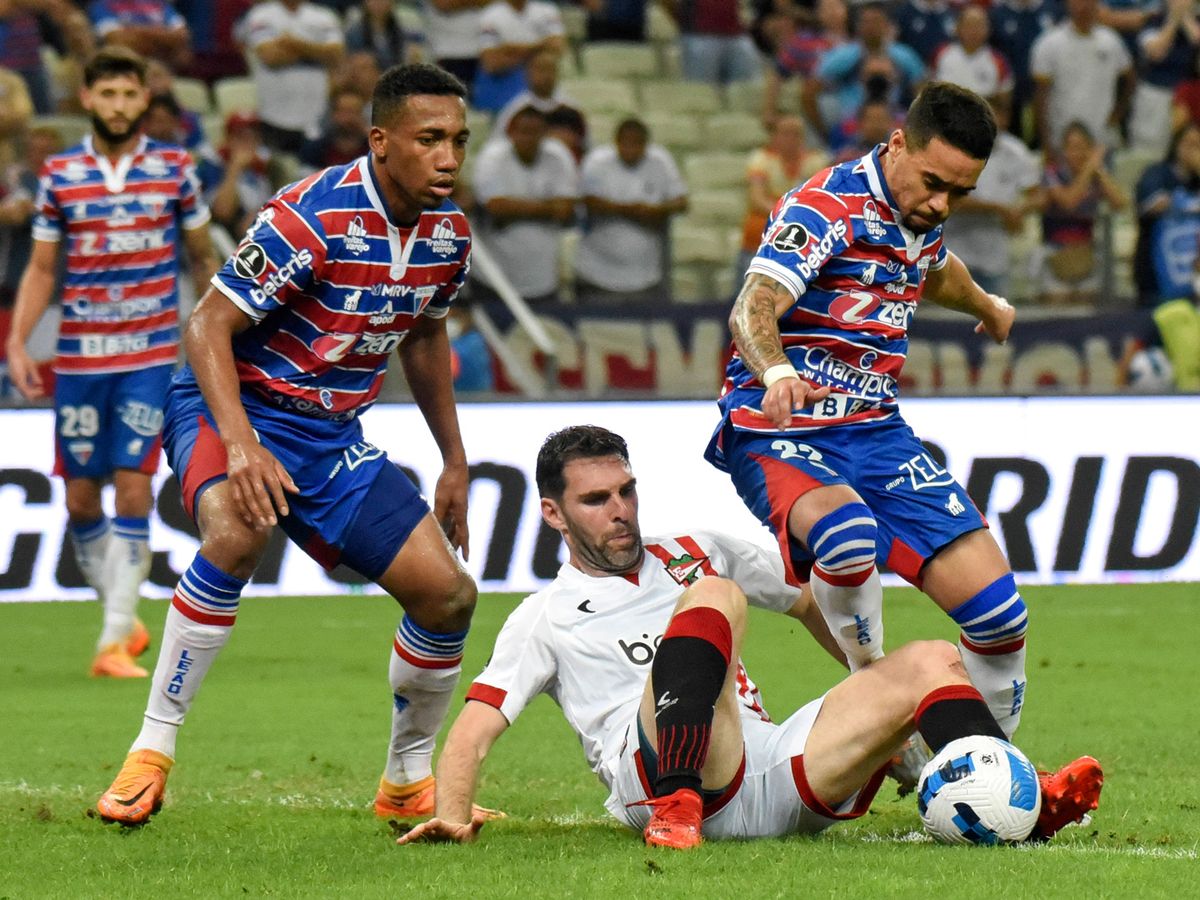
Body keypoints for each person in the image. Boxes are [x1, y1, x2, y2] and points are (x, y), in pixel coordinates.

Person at [396, 425, 1103, 848]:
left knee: (927, 660)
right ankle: (676, 808)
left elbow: (805, 603)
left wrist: (877, 695)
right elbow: (476, 727)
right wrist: (452, 814)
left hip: (761, 763)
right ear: (553, 514)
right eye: (595, 499)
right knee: (717, 594)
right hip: (663, 779)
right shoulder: (543, 616)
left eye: (626, 491)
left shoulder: (694, 546)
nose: (620, 511)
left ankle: (1021, 800)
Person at [94, 63, 480, 826]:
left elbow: (426, 335)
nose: (448, 158)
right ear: (381, 141)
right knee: (237, 532)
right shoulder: (313, 216)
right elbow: (205, 325)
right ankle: (151, 750)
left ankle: (406, 781)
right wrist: (240, 446)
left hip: (330, 434)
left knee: (448, 596)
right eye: (429, 139)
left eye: (459, 141)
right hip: (232, 404)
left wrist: (455, 459)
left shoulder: (448, 235)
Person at [704, 83, 1032, 751]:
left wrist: (986, 305)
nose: (942, 204)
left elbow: (934, 269)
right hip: (781, 426)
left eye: (960, 194)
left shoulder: (921, 213)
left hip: (876, 432)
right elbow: (752, 305)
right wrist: (777, 371)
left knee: (1001, 619)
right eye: (935, 183)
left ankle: (993, 773)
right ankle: (877, 694)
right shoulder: (826, 206)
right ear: (897, 145)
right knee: (847, 535)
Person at [4, 47, 217, 678]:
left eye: (131, 95)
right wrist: (18, 341)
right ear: (89, 100)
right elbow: (43, 267)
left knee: (132, 486)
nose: (120, 106)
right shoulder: (62, 176)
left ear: (144, 101)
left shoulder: (176, 170)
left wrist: (221, 329)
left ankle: (112, 640)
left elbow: (201, 260)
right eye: (109, 96)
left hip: (149, 354)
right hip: (78, 358)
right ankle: (122, 619)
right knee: (77, 502)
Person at [470, 104, 578, 304]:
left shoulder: (559, 157)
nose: (529, 139)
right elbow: (496, 207)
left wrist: (513, 210)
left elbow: (565, 210)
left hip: (543, 280)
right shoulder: (492, 156)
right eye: (524, 132)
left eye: (536, 133)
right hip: (493, 280)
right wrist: (547, 207)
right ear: (511, 132)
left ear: (545, 134)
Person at [574, 118, 689, 305]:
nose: (630, 149)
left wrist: (655, 210)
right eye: (625, 143)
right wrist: (632, 211)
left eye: (637, 144)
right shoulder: (597, 161)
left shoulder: (660, 161)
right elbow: (587, 201)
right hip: (597, 275)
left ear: (646, 145)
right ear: (616, 142)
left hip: (646, 278)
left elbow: (681, 203)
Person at [1038, 120, 1128, 304]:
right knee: (1056, 307)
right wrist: (1090, 167)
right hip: (1055, 252)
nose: (1076, 154)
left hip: (1087, 252)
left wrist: (1100, 171)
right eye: (1071, 148)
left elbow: (1120, 204)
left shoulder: (1096, 176)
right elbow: (1068, 202)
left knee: (1087, 308)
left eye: (1082, 148)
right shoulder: (1052, 174)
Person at [238, 0, 346, 150]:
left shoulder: (324, 16)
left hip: (317, 115)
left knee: (314, 171)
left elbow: (336, 55)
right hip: (274, 115)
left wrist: (293, 43)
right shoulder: (261, 15)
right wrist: (318, 51)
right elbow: (271, 56)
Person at [1030, 0, 1135, 152]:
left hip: (1102, 138)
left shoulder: (1111, 41)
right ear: (1068, 4)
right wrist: (1046, 143)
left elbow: (1130, 80)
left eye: (1089, 2)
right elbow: (1040, 98)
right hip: (1062, 139)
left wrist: (1118, 113)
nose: (1084, 7)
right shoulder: (1049, 43)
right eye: (1078, 2)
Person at [736, 114, 830, 280]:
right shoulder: (761, 160)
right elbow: (757, 200)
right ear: (775, 136)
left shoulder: (816, 162)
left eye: (796, 134)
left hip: (802, 248)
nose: (791, 139)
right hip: (759, 243)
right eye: (785, 133)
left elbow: (822, 201)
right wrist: (793, 213)